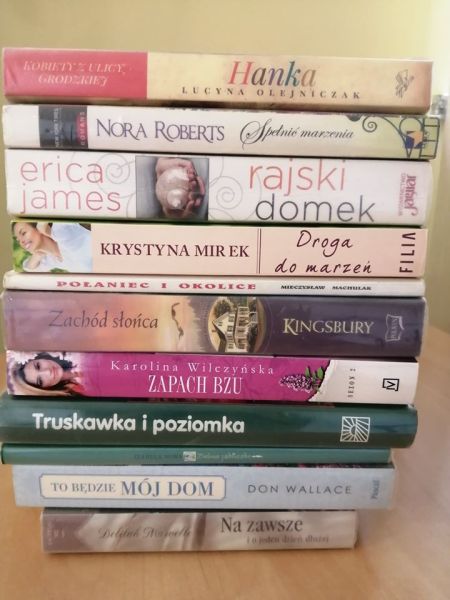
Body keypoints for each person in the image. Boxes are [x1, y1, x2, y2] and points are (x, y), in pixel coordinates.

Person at [12, 221, 93, 272]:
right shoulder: (52, 259)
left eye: (23, 233)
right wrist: (37, 255)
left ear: (37, 228)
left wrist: (45, 229)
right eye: (18, 240)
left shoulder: (60, 231)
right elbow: (29, 268)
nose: (21, 241)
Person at [8, 352, 85, 396]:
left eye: (38, 366)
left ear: (40, 357)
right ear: (43, 389)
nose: (47, 372)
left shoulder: (77, 351)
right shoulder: (76, 397)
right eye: (40, 381)